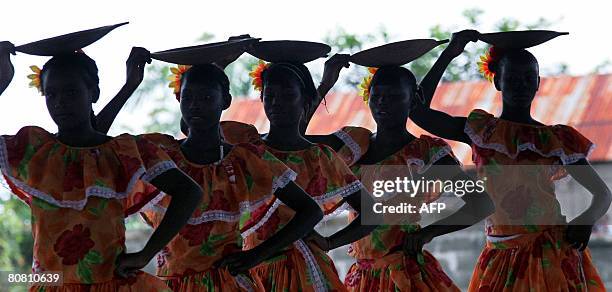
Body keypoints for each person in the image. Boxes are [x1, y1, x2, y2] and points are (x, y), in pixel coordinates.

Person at [410, 30, 611, 291]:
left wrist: (585, 220)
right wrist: (449, 53)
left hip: (550, 254)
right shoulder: (481, 130)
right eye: (513, 78)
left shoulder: (555, 138)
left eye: (529, 78)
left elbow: (602, 193)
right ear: (497, 82)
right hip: (500, 253)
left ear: (538, 82)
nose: (521, 84)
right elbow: (417, 111)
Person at [0, 39, 203, 291]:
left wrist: (146, 253)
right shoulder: (33, 148)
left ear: (93, 93)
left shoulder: (125, 151)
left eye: (71, 92)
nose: (60, 101)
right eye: (51, 93)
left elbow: (190, 192)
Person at [128, 44, 325, 291]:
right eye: (188, 98)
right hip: (171, 282)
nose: (196, 106)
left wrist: (256, 255)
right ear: (179, 100)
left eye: (207, 98)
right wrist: (130, 86)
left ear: (226, 101)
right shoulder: (162, 155)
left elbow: (313, 211)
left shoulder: (245, 159)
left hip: (227, 282)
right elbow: (92, 139)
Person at [322, 32, 494, 292]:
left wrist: (428, 233)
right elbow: (294, 140)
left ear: (412, 100)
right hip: (362, 278)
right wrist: (325, 84)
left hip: (406, 273)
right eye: (377, 96)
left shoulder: (426, 153)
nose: (382, 104)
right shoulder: (355, 145)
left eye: (393, 97)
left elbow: (480, 204)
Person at [223, 43, 380, 292]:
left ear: (306, 100)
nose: (276, 102)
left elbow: (373, 213)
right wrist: (221, 62)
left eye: (287, 95)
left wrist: (329, 242)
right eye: (270, 95)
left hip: (299, 270)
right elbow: (191, 127)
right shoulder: (246, 146)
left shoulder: (319, 157)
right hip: (247, 267)